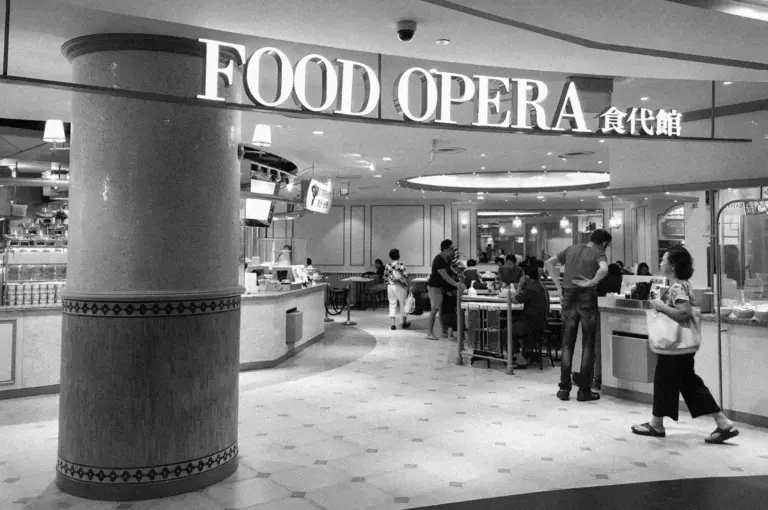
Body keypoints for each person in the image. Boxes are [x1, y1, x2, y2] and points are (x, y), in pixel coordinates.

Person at [631, 246, 739, 444]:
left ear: (672, 266)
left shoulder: (677, 288)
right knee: (686, 383)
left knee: (674, 382)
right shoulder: (684, 285)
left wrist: (660, 306)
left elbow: (684, 313)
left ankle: (658, 424)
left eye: (664, 260)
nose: (661, 263)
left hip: (674, 346)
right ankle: (721, 423)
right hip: (680, 347)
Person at [545, 229, 611, 402]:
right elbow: (604, 269)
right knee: (588, 344)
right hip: (587, 296)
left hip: (568, 295)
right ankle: (584, 390)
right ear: (604, 243)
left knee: (567, 343)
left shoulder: (571, 249)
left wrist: (559, 288)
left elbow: (549, 263)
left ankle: (564, 389)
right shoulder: (599, 253)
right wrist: (592, 282)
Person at [509, 263, 549, 367]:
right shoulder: (541, 286)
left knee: (507, 331)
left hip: (531, 323)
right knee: (513, 321)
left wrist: (520, 284)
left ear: (526, 276)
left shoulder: (530, 289)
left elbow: (514, 300)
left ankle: (520, 359)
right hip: (542, 321)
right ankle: (523, 352)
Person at [427, 239, 463, 340]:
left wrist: (457, 274)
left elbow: (450, 267)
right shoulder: (439, 259)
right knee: (434, 309)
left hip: (440, 287)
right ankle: (429, 333)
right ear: (445, 249)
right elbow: (445, 276)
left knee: (441, 310)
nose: (453, 250)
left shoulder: (447, 258)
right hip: (434, 287)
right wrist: (456, 284)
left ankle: (443, 332)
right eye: (451, 248)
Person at [384, 249, 411, 331]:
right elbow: (405, 275)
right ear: (398, 256)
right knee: (403, 304)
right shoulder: (400, 265)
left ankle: (393, 324)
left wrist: (389, 282)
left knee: (392, 304)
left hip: (390, 286)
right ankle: (404, 322)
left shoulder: (387, 265)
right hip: (400, 286)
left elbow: (385, 277)